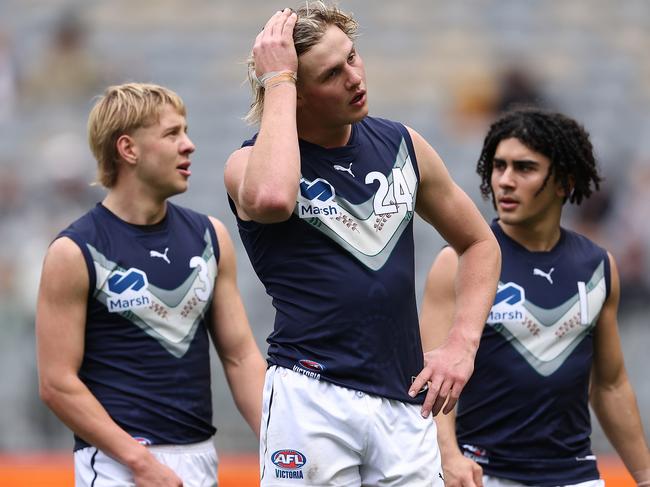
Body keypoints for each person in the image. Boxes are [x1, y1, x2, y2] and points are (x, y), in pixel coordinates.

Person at [224, 3, 501, 485]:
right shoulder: (246, 165)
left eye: (352, 57)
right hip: (310, 396)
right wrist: (277, 83)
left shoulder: (403, 145)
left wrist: (461, 344)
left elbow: (480, 243)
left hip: (403, 400)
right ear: (297, 93)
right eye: (332, 73)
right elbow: (271, 198)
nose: (354, 77)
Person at [36, 82, 267, 487]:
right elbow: (57, 383)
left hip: (200, 460)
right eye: (172, 133)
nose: (189, 145)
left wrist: (280, 443)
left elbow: (240, 357)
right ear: (128, 150)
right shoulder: (74, 251)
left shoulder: (210, 237)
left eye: (187, 131)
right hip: (117, 466)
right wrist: (139, 462)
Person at [421, 107, 650, 487]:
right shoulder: (457, 264)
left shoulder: (599, 267)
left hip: (576, 475)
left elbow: (609, 384)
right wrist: (449, 456)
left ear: (564, 182)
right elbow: (433, 378)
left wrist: (644, 475)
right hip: (484, 475)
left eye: (524, 168)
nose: (505, 181)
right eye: (498, 166)